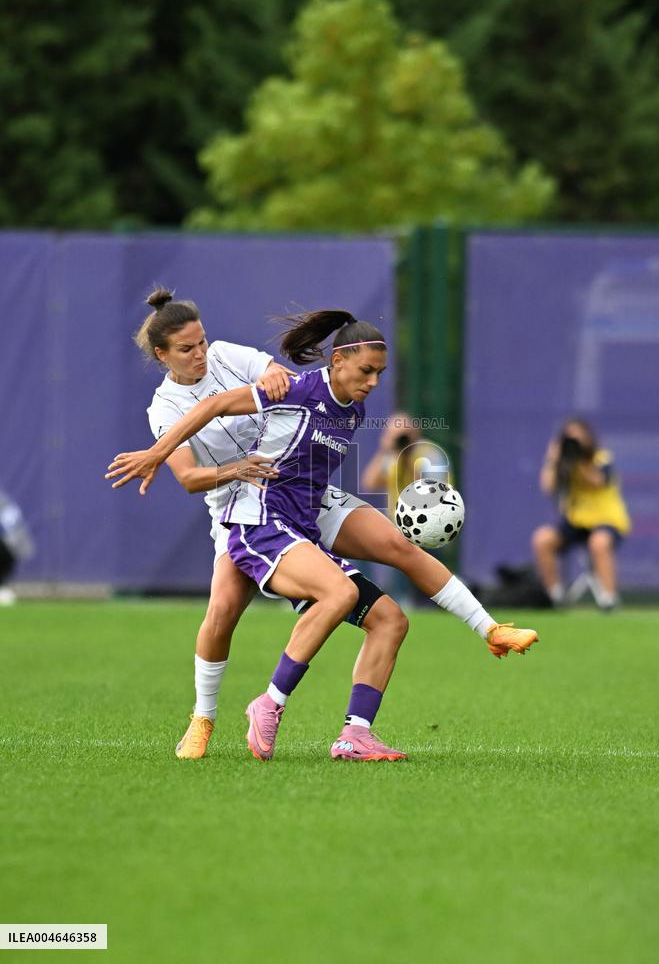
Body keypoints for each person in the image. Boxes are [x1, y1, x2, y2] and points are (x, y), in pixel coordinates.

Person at [107, 293, 538, 761]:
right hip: (245, 503)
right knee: (225, 611)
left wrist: (273, 373)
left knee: (394, 583)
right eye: (187, 348)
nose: (200, 353)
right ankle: (206, 717)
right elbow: (195, 465)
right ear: (163, 355)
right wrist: (162, 456)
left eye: (202, 342)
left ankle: (473, 641)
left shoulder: (249, 365)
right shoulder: (165, 407)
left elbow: (273, 374)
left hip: (304, 499)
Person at [532, 418, 631, 610]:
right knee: (542, 539)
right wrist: (553, 460)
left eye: (578, 438)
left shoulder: (601, 457)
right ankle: (555, 596)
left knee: (599, 542)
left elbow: (598, 481)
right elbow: (547, 487)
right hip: (576, 521)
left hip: (606, 519)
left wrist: (579, 461)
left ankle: (609, 599)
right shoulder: (563, 462)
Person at [362, 412, 451, 605]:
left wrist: (408, 456)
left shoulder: (429, 453)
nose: (400, 437)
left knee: (402, 541)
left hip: (429, 523)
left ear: (415, 432)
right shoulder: (391, 455)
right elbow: (370, 482)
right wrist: (384, 450)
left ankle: (403, 598)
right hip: (397, 523)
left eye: (403, 432)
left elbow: (431, 492)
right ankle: (368, 596)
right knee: (358, 540)